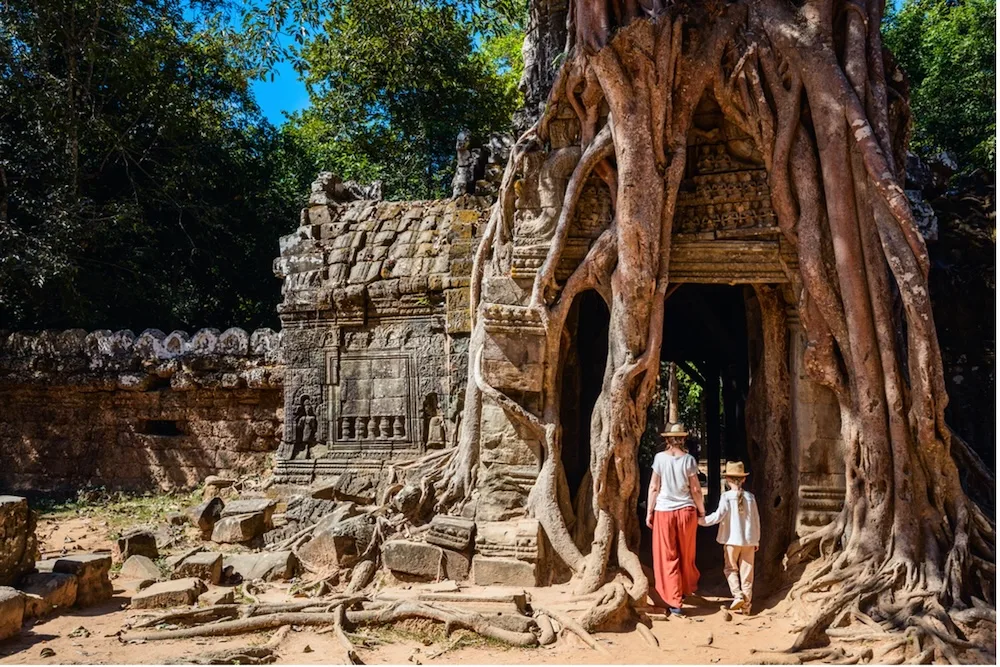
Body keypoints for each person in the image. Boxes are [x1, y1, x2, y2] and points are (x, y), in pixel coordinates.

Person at [646, 423, 705, 616]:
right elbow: (696, 489)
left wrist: (649, 511)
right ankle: (685, 589)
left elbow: (654, 487)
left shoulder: (659, 459)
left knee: (667, 556)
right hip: (686, 512)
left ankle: (674, 600)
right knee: (686, 553)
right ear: (683, 439)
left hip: (664, 511)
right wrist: (701, 510)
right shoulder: (688, 460)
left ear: (666, 440)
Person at [699, 461, 761, 615]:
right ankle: (746, 606)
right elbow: (756, 520)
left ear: (727, 479)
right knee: (748, 573)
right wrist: (757, 539)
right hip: (749, 540)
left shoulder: (726, 497)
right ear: (744, 479)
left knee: (730, 568)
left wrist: (701, 521)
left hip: (731, 540)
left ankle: (737, 594)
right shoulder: (751, 497)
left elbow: (718, 516)